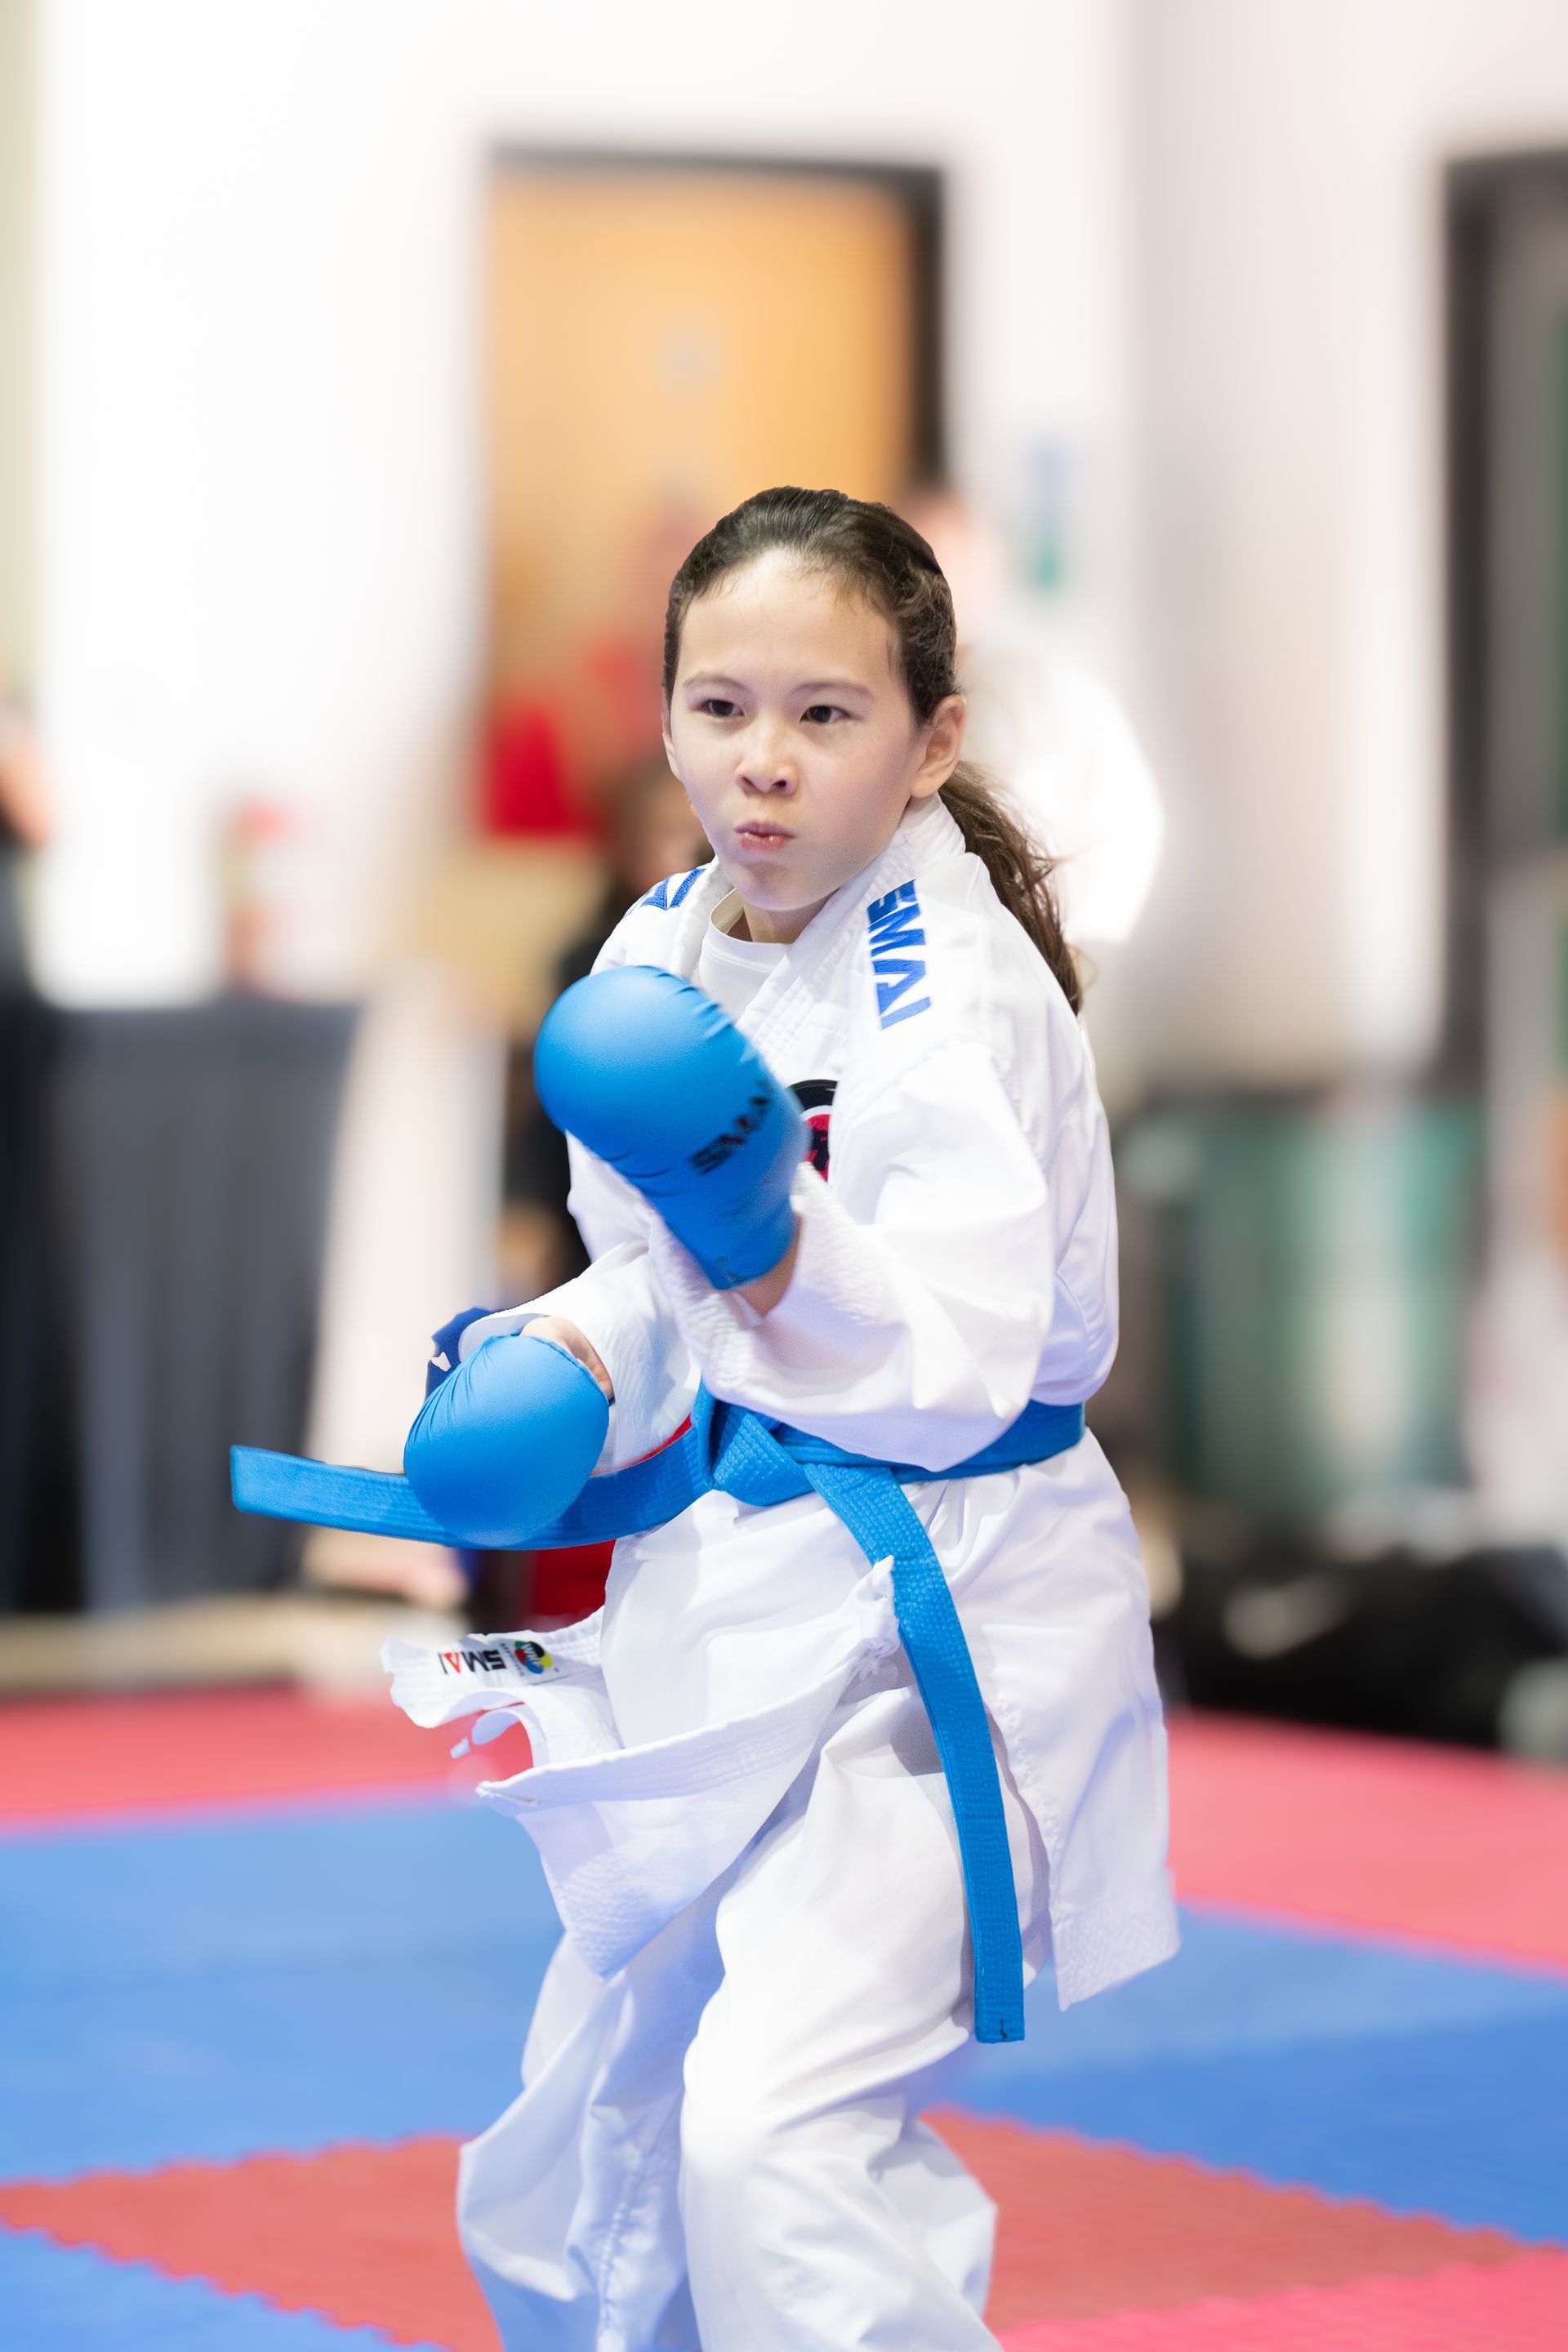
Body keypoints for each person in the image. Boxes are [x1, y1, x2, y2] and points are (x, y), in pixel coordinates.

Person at [388, 488, 1178, 2350]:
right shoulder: (660, 947)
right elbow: (649, 1284)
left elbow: (962, 1359)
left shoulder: (952, 988)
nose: (766, 764)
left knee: (774, 2132)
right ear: (663, 719)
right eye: (723, 706)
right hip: (738, 1587)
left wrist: (765, 1231)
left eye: (828, 714)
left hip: (950, 1629)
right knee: (618, 2106)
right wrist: (564, 1366)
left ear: (931, 744)